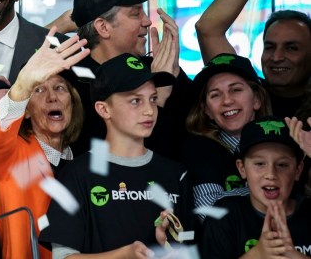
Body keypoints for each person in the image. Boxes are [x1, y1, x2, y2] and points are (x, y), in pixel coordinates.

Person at [39, 52, 191, 258]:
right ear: (103, 109)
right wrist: (122, 255)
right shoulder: (77, 174)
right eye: (135, 101)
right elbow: (62, 256)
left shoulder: (176, 174)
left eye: (153, 99)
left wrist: (170, 245)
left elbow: (190, 245)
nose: (149, 110)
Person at [0, 30, 90, 259]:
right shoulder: (12, 156)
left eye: (60, 88)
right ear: (26, 110)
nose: (52, 97)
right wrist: (22, 87)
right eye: (39, 90)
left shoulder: (86, 162)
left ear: (72, 101)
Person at [69, 0, 191, 155]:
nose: (147, 21)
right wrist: (158, 95)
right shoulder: (71, 84)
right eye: (135, 14)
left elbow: (194, 138)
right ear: (103, 27)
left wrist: (170, 77)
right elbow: (109, 159)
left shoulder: (158, 67)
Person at [200, 117, 310, 259]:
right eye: (259, 164)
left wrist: (292, 255)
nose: (271, 174)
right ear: (242, 169)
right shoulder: (224, 216)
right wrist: (258, 254)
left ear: (298, 170)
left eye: (282, 165)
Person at [183, 53, 271, 211]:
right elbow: (208, 210)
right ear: (206, 110)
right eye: (215, 95)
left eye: (236, 90)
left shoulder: (282, 142)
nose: (227, 101)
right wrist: (272, 193)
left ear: (257, 99)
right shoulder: (200, 150)